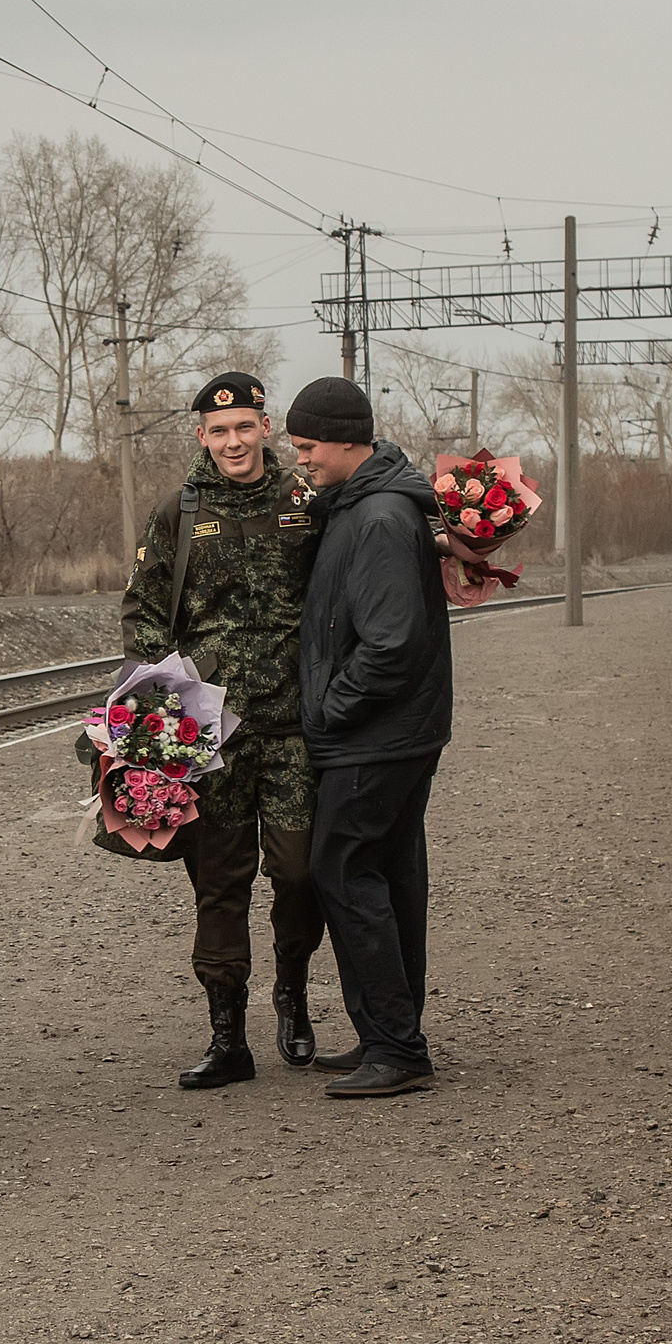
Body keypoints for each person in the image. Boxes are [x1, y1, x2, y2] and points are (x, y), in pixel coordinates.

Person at [128, 372, 325, 1089]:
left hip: (296, 725)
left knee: (302, 872)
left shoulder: (306, 500)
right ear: (201, 437)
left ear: (265, 427)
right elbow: (145, 614)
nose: (233, 440)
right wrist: (155, 721)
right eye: (219, 430)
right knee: (219, 882)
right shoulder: (177, 512)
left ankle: (293, 990)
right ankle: (227, 1036)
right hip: (213, 736)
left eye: (244, 426)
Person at [285, 376, 451, 1099]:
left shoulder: (379, 515)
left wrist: (328, 709)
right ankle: (388, 1033)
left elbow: (390, 644)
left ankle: (397, 1044)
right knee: (386, 874)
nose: (301, 459)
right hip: (390, 729)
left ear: (348, 439)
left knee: (343, 871)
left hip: (376, 732)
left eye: (307, 445)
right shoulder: (362, 504)